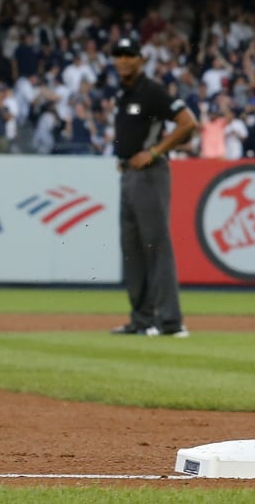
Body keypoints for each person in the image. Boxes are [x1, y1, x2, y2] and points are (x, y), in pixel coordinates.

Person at [108, 35, 198, 338]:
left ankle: (171, 322)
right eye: (118, 55)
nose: (122, 60)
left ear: (140, 60)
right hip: (127, 174)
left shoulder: (151, 91)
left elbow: (188, 123)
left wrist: (155, 152)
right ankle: (141, 319)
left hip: (149, 175)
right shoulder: (125, 93)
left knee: (156, 247)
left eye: (129, 54)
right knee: (132, 250)